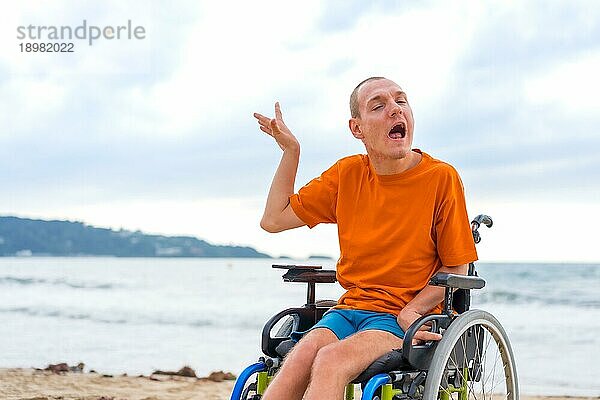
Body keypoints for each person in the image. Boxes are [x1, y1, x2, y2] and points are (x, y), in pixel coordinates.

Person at [253, 77, 478, 400]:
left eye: (401, 101)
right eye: (379, 105)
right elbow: (273, 220)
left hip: (404, 316)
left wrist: (411, 310)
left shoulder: (440, 178)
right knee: (300, 357)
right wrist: (292, 151)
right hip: (351, 309)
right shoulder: (347, 176)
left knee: (331, 360)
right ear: (357, 129)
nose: (395, 110)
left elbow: (457, 267)